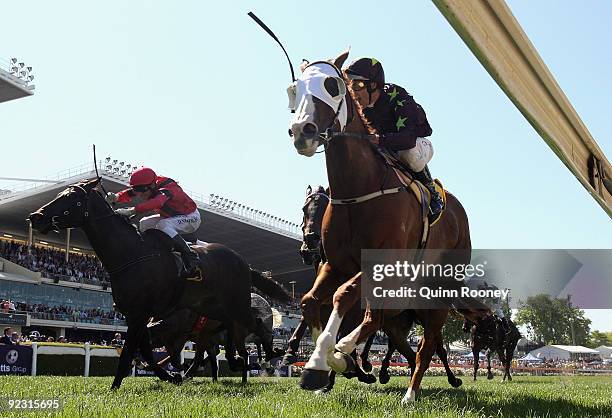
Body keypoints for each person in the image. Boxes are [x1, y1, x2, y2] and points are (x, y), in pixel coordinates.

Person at [344, 58, 444, 217]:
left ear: (374, 85)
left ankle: (431, 191)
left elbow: (408, 139)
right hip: (384, 147)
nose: (352, 91)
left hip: (415, 145)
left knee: (408, 153)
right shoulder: (359, 104)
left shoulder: (399, 98)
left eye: (358, 85)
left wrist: (379, 139)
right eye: (350, 85)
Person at [106, 167, 201, 279]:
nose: (140, 195)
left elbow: (157, 201)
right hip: (172, 217)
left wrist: (133, 210)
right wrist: (116, 197)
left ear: (151, 186)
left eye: (142, 192)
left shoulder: (169, 188)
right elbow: (131, 192)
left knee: (163, 225)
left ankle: (190, 256)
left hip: (191, 217)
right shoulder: (149, 184)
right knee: (144, 223)